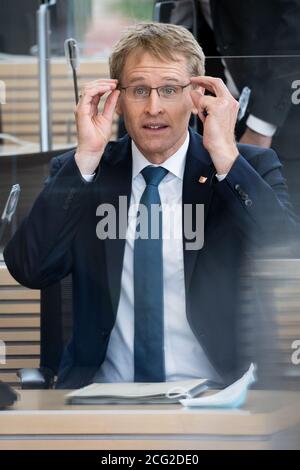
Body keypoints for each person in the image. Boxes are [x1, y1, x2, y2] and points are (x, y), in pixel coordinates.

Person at [3, 23, 297, 389]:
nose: (154, 108)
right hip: (103, 397)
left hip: (217, 397)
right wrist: (86, 159)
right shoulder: (84, 171)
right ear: (117, 98)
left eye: (170, 90)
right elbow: (29, 267)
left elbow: (284, 249)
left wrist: (225, 156)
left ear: (197, 96)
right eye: (139, 90)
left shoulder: (244, 167)